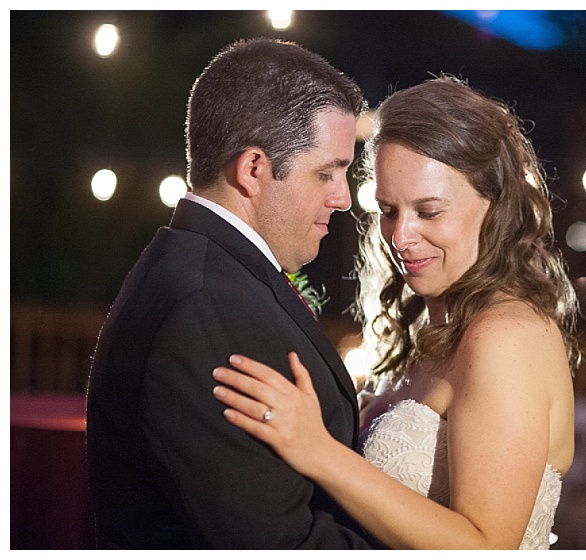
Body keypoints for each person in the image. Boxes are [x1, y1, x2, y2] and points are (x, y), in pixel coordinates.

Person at [211, 76, 579, 549]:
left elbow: (487, 548)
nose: (400, 237)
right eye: (388, 210)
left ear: (495, 205)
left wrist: (319, 451)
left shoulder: (506, 335)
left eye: (428, 212)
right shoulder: (431, 329)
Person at [86, 38, 374, 548]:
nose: (343, 196)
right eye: (326, 172)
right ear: (254, 169)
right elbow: (275, 544)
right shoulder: (209, 307)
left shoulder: (204, 270)